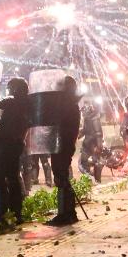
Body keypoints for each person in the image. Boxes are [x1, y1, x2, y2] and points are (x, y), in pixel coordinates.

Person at [45, 76, 81, 227]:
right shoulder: (72, 104)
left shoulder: (66, 105)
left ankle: (63, 214)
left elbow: (58, 124)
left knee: (61, 177)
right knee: (62, 176)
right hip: (64, 144)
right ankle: (70, 213)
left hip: (62, 144)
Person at [0, 78, 30, 223]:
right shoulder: (28, 103)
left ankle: (1, 213)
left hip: (5, 144)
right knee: (13, 177)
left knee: (0, 178)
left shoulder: (11, 101)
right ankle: (16, 213)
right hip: (18, 144)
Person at [78, 102, 105, 183]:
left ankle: (98, 180)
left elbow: (98, 133)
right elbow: (85, 130)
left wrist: (99, 146)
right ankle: (88, 179)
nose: (82, 114)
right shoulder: (87, 120)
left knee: (97, 163)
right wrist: (78, 135)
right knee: (83, 162)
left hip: (94, 144)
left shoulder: (95, 119)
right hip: (87, 144)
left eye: (83, 112)